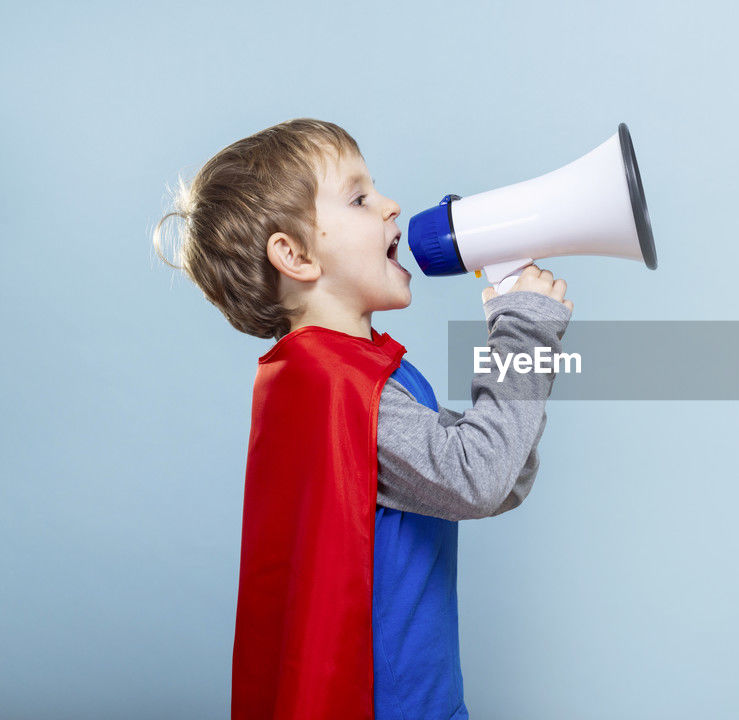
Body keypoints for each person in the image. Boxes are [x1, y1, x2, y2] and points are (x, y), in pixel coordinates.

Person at [152, 118, 572, 719]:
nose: (391, 205)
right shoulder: (339, 387)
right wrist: (524, 330)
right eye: (358, 198)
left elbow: (496, 474)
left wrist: (521, 340)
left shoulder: (363, 375)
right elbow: (480, 475)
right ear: (294, 255)